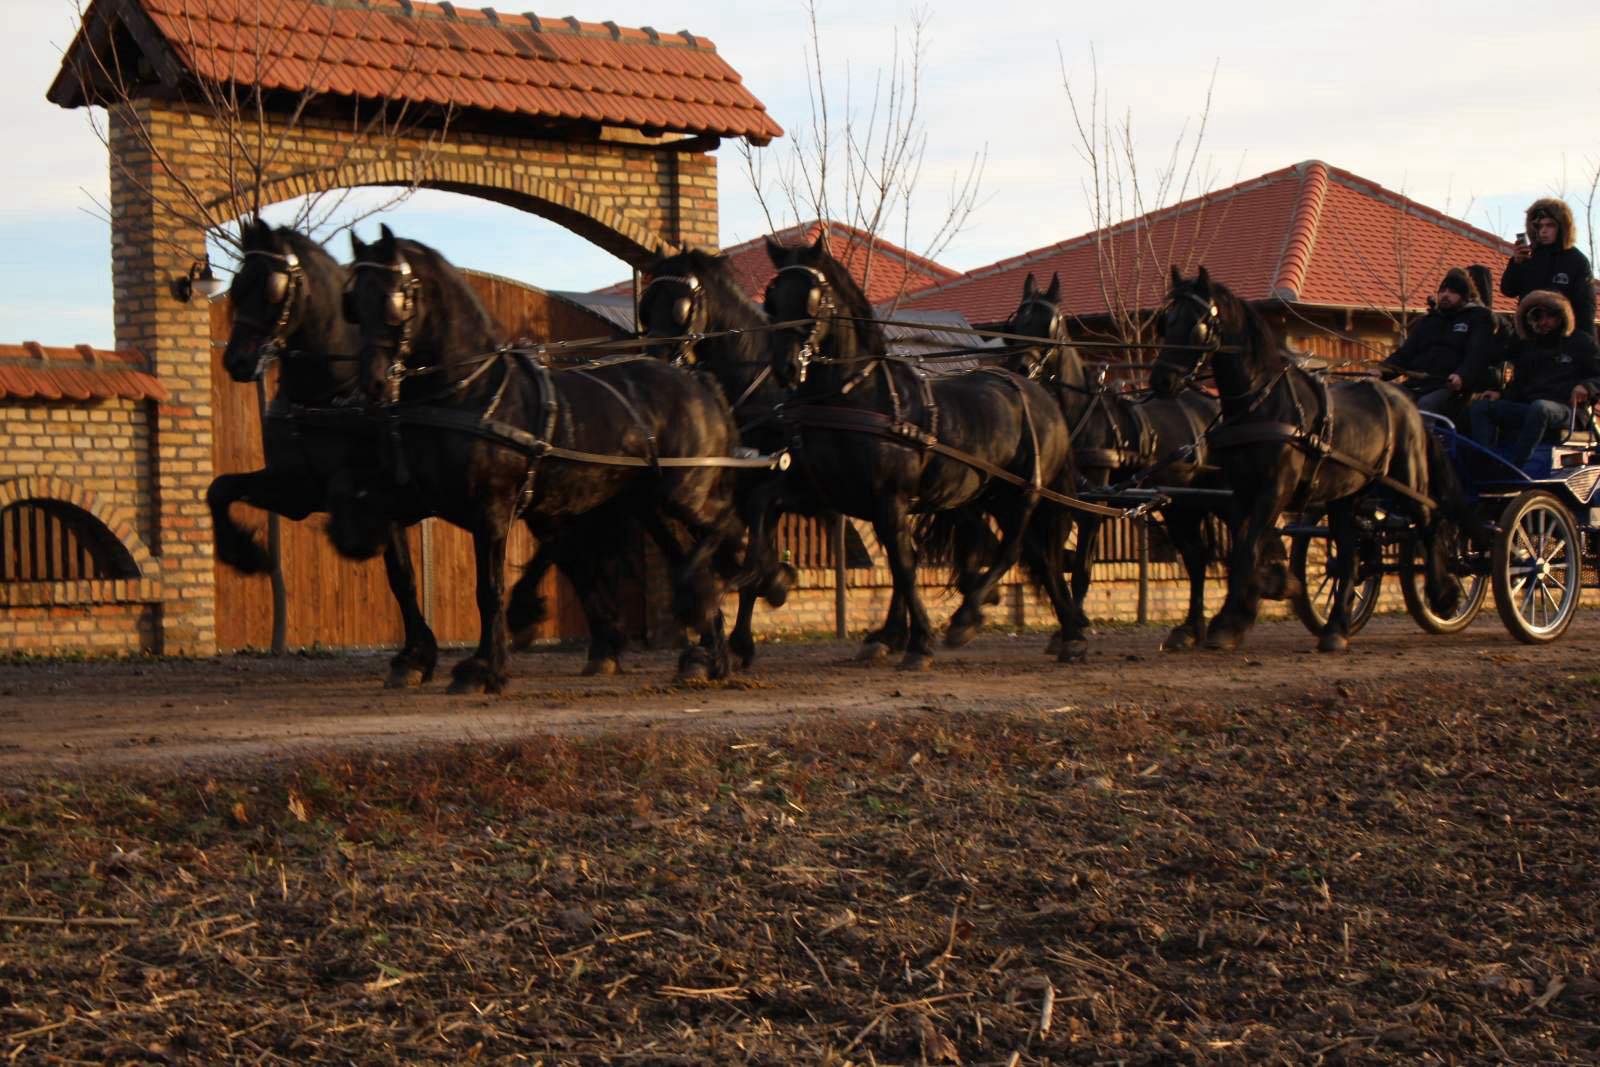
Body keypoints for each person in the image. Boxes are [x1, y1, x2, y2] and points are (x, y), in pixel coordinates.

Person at [1464, 290, 1600, 467]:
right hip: (1530, 408)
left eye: (1549, 316)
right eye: (1538, 317)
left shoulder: (1581, 342)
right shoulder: (1529, 346)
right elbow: (1519, 383)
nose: (1543, 322)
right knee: (1481, 407)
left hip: (1568, 410)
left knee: (1540, 408)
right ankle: (1488, 462)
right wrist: (1501, 395)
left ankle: (1516, 465)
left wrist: (1586, 386)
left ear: (1562, 316)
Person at [1383, 267, 1496, 415]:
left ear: (1464, 297)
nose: (1445, 295)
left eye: (1452, 292)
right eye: (1442, 291)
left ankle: (1427, 438)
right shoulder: (1428, 321)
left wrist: (1462, 375)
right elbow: (1405, 353)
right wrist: (1382, 371)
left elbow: (1476, 354)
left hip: (1449, 388)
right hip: (1415, 384)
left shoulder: (1477, 318)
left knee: (1426, 405)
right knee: (1381, 397)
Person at [1500, 198, 1595, 340]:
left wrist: (1585, 345)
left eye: (1550, 225)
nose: (1543, 231)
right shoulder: (1527, 256)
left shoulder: (1576, 260)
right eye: (1539, 226)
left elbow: (1585, 309)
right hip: (1529, 337)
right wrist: (1516, 264)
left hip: (1563, 339)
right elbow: (1508, 290)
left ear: (1562, 227)